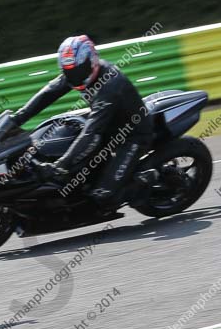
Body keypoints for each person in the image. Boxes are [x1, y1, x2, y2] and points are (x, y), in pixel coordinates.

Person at [10, 35, 153, 207]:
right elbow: (47, 94)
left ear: (91, 60)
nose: (74, 76)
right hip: (108, 124)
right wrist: (17, 118)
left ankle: (146, 178)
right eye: (69, 71)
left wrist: (60, 164)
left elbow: (92, 132)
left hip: (132, 134)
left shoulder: (109, 86)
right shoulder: (76, 74)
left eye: (78, 70)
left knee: (104, 196)